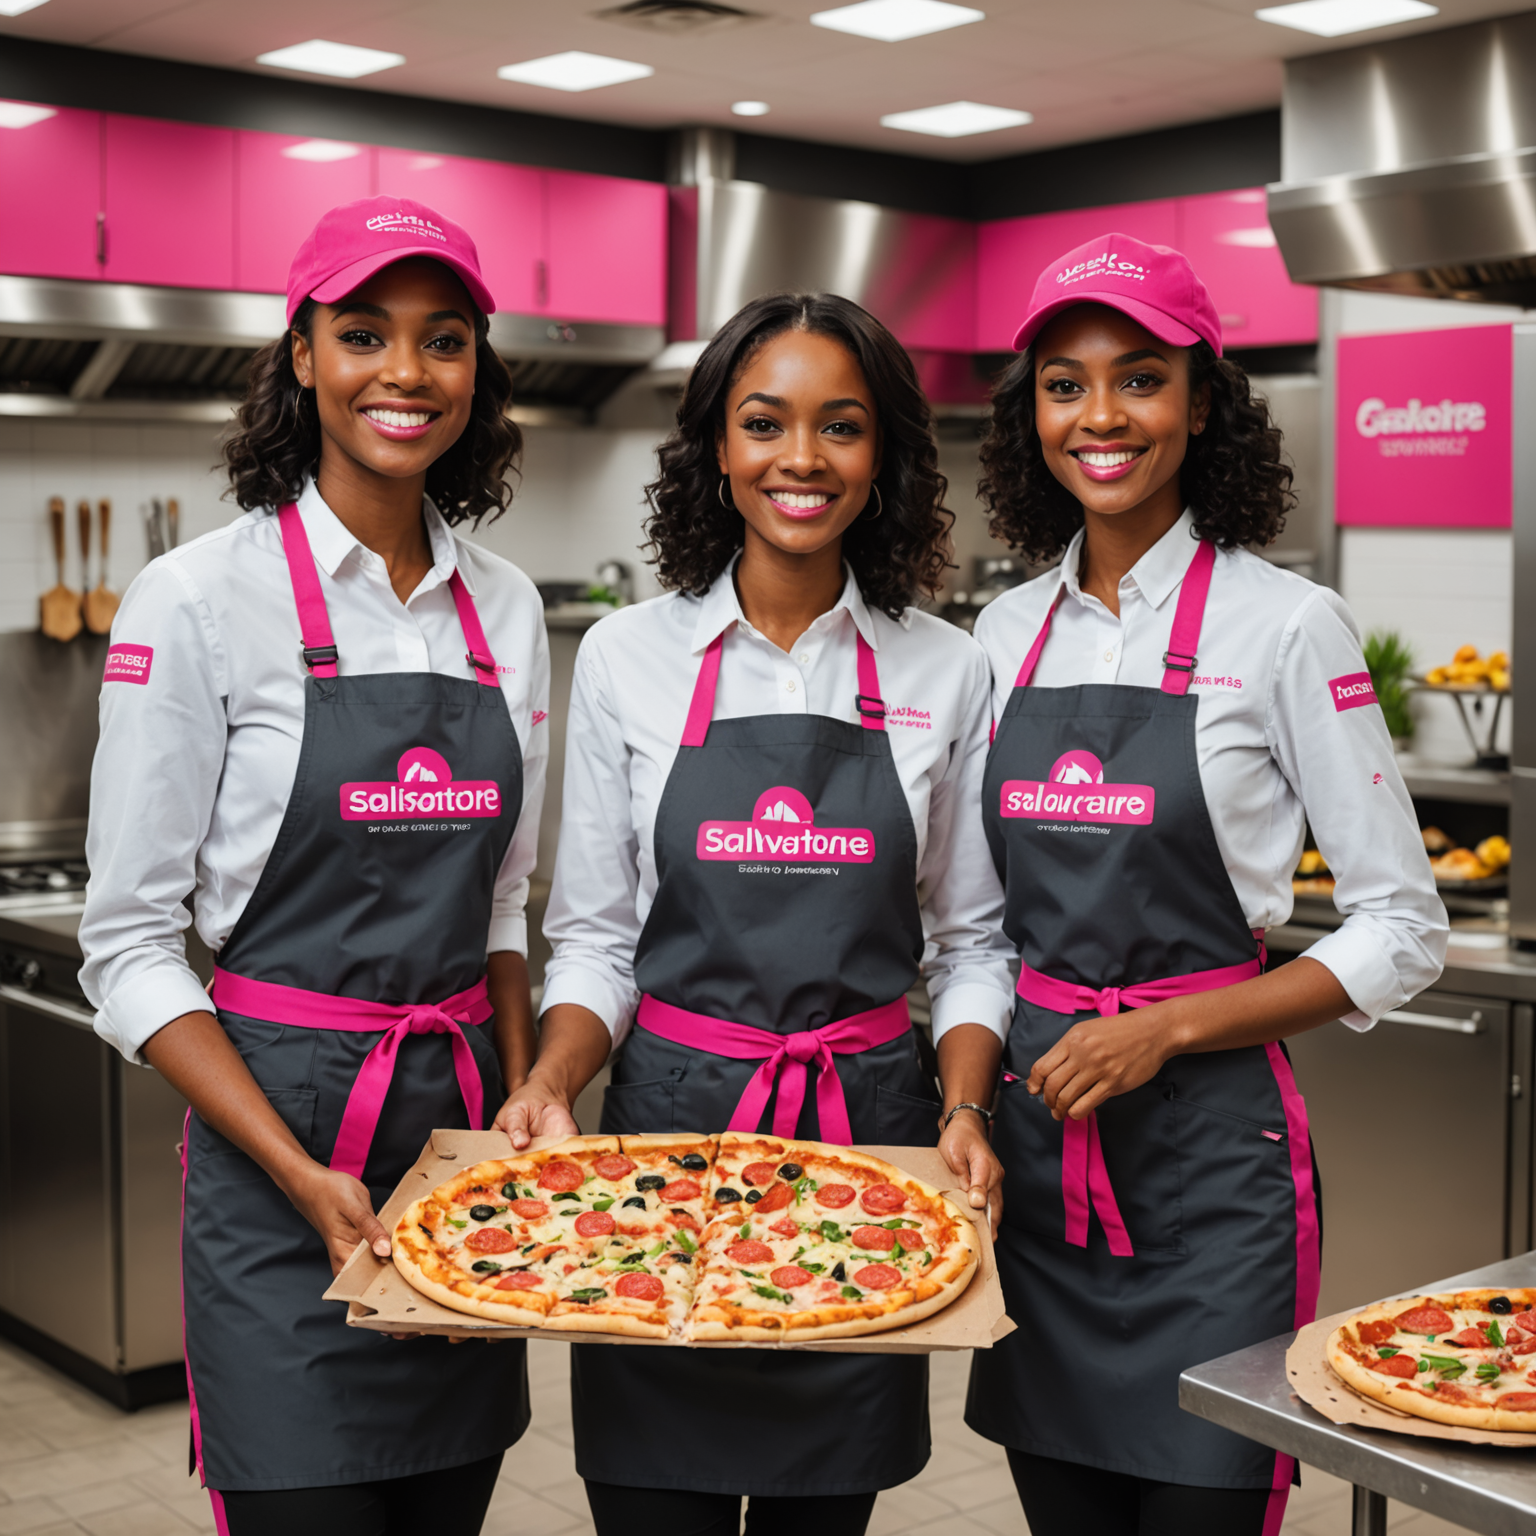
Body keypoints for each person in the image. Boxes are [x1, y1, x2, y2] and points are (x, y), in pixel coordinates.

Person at [498, 291, 1013, 1536]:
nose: (802, 459)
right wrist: (553, 1080)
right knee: (651, 1506)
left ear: (881, 454)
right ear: (716, 448)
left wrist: (960, 1107)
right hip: (667, 1143)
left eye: (840, 427)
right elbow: (598, 939)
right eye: (765, 423)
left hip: (864, 1148)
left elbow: (972, 943)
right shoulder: (628, 656)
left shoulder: (947, 667)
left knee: (821, 1513)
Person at [964, 233, 1448, 1535]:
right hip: (1041, 1164)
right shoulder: (1006, 633)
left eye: (1140, 379)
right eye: (1064, 384)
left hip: (1213, 1186)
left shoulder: (1287, 625)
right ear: (1032, 418)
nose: (1101, 416)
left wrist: (1167, 1028)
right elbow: (981, 927)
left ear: (1202, 402)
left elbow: (1406, 927)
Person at [78, 197, 549, 1536]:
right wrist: (297, 1173)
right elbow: (127, 943)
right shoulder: (195, 597)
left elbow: (505, 902)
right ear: (301, 355)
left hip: (457, 1172)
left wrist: (518, 1104)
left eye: (443, 339)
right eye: (364, 333)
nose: (405, 371)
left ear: (478, 370)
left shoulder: (504, 604)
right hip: (280, 1167)